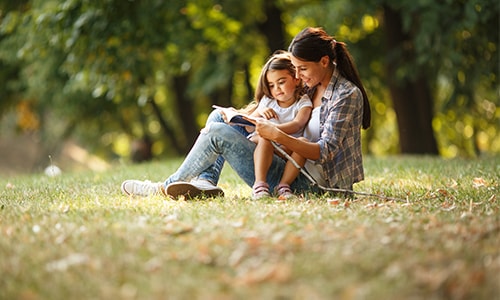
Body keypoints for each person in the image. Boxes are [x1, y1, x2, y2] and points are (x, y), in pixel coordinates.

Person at [121, 26, 371, 199]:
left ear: (325, 61)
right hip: (286, 160)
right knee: (219, 117)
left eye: (301, 68)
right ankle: (206, 181)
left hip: (310, 183)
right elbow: (278, 104)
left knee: (217, 132)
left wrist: (277, 135)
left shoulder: (345, 95)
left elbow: (325, 151)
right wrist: (246, 116)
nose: (297, 75)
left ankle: (163, 188)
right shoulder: (310, 83)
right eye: (295, 68)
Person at [246, 51, 312, 199]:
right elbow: (248, 123)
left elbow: (297, 124)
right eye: (271, 85)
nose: (276, 89)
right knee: (265, 137)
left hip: (286, 147)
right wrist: (261, 111)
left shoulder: (303, 102)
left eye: (281, 82)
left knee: (303, 143)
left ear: (296, 79)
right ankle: (260, 185)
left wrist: (274, 131)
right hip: (263, 144)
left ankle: (283, 186)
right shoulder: (268, 101)